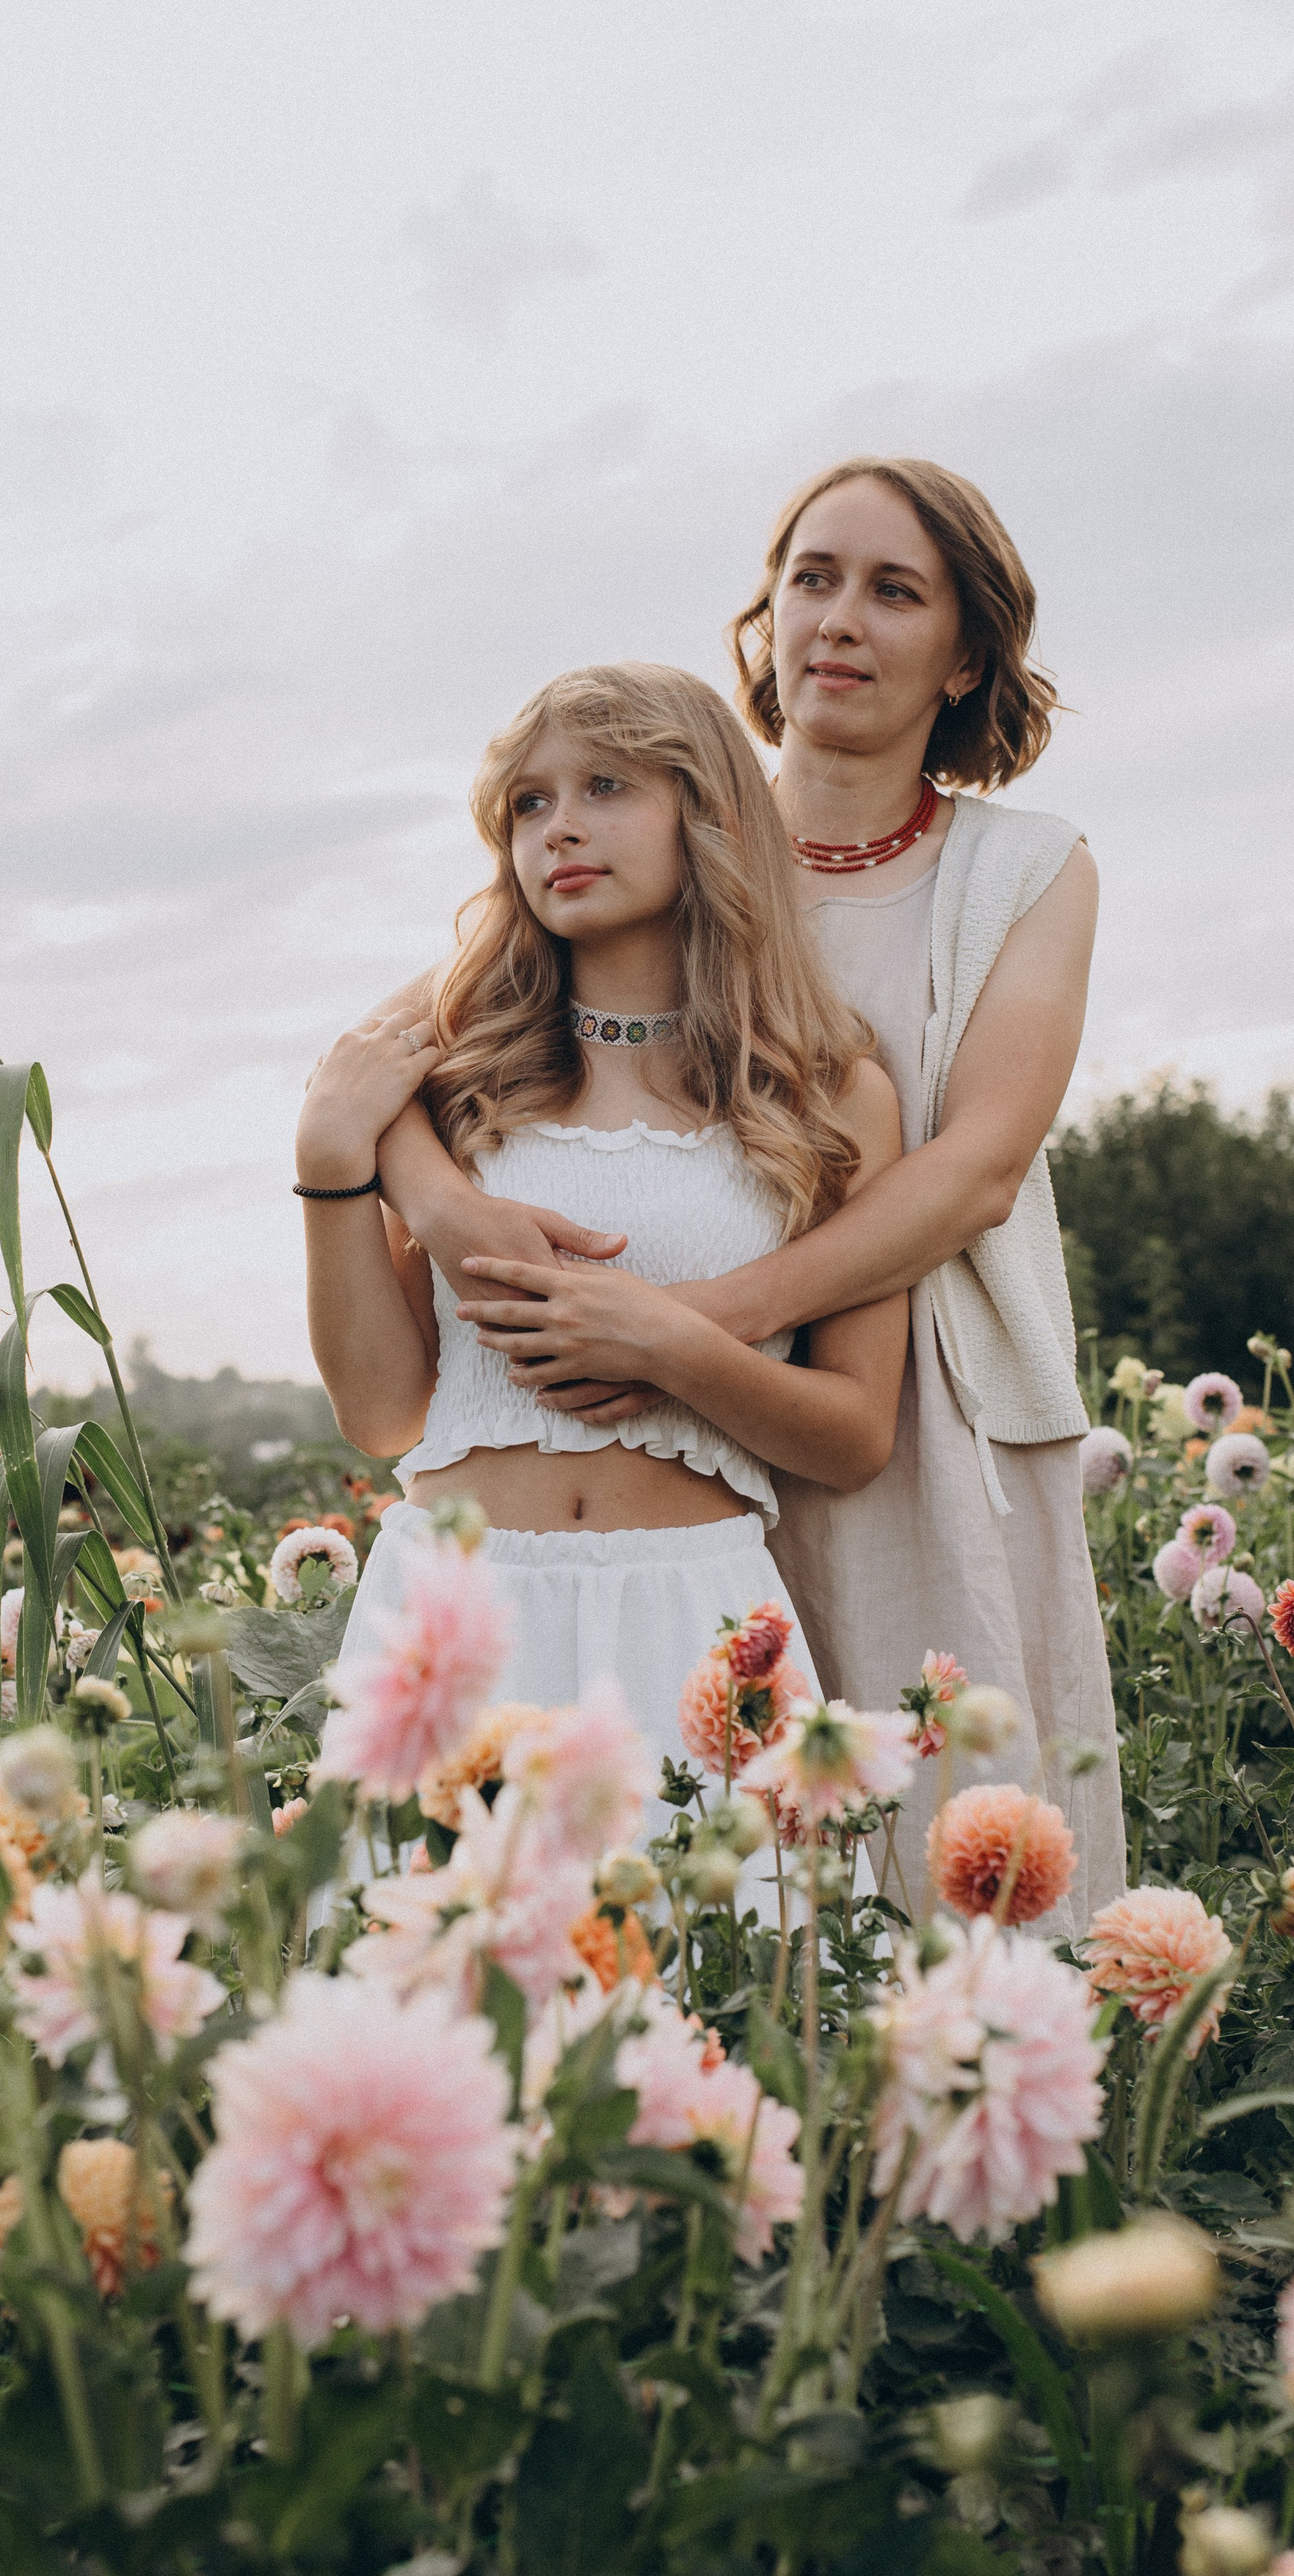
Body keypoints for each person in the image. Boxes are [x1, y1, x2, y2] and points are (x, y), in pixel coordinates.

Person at [373, 460, 1124, 1930]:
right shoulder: (658, 823)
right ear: (764, 613)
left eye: (892, 590)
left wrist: (686, 1327)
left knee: (926, 1833)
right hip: (653, 1437)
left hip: (913, 1411)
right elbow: (401, 1062)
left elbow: (970, 1169)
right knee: (696, 1818)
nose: (835, 619)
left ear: (965, 652)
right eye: (809, 577)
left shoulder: (1021, 871)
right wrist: (456, 1221)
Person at [294, 661, 908, 1794]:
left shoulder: (825, 1094)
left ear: (711, 816)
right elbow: (382, 1413)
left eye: (607, 787)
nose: (559, 830)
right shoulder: (457, 1076)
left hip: (698, 1612)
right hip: (453, 1605)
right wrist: (332, 1167)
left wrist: (670, 1346)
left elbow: (856, 1434)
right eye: (530, 804)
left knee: (717, 1969)